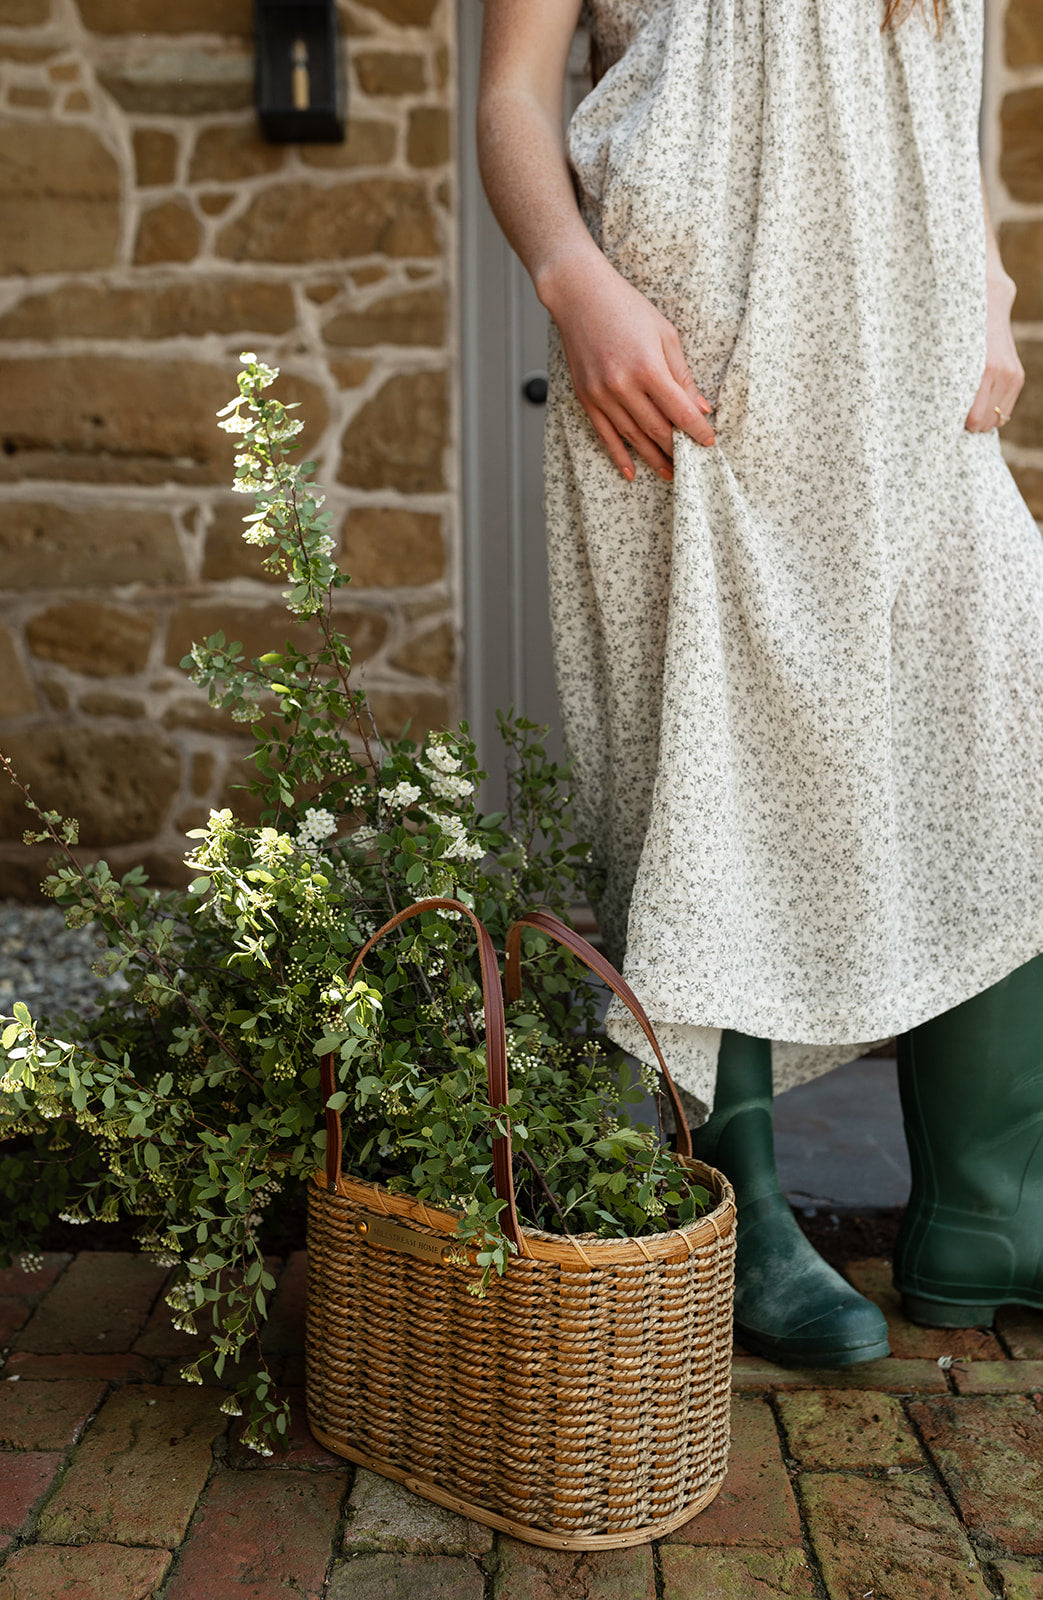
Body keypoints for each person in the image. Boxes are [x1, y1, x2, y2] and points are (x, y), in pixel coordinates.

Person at [476, 0, 1042, 1366]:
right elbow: (509, 95)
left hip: (903, 351)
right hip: (683, 348)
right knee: (711, 748)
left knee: (1002, 699)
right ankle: (740, 1214)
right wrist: (574, 281)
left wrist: (989, 286)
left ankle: (991, 1208)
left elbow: (945, 83)